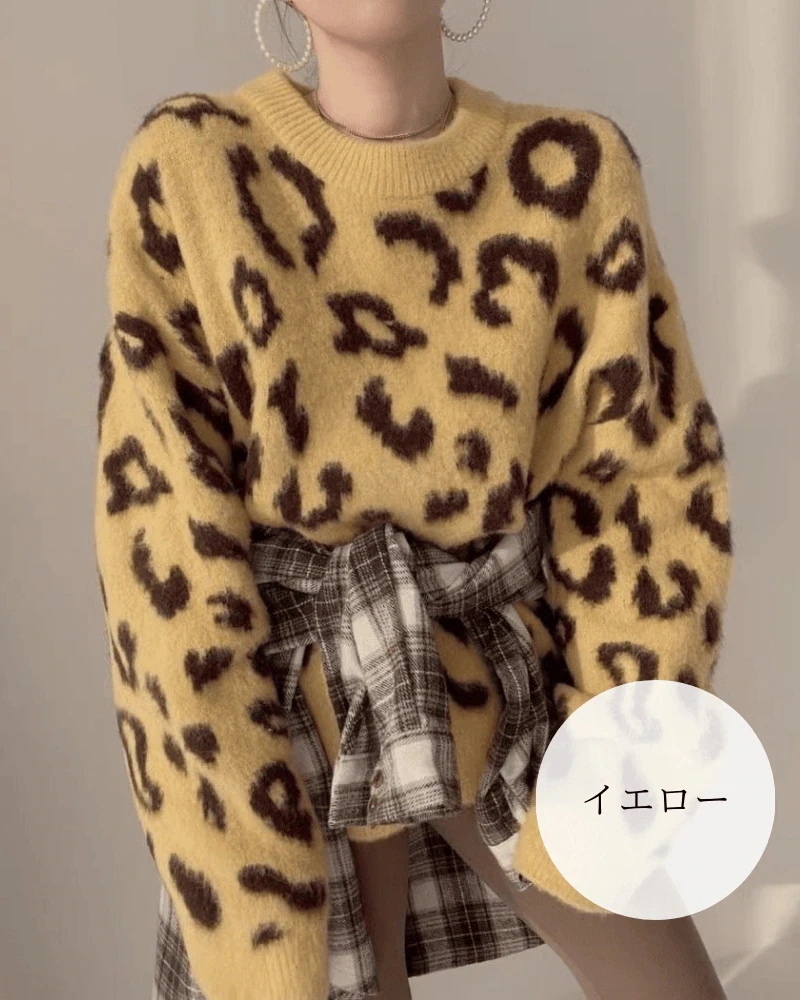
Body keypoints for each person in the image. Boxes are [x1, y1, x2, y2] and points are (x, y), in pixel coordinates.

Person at [92, 2, 734, 999]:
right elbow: (161, 547)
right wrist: (239, 871)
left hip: (511, 678)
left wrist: (623, 757)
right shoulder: (192, 163)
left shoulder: (572, 168)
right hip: (292, 701)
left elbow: (647, 500)